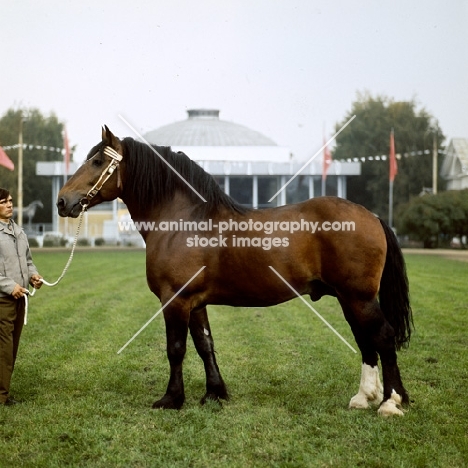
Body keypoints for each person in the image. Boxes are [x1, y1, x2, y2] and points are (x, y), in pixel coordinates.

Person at [0, 188, 42, 406]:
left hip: (20, 299)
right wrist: (10, 286)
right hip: (3, 301)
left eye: (10, 201)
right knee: (4, 349)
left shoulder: (19, 231)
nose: (9, 205)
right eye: (4, 202)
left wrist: (33, 275)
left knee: (12, 348)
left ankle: (3, 392)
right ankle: (1, 396)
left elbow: (27, 261)